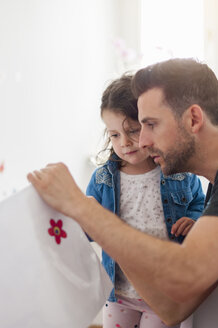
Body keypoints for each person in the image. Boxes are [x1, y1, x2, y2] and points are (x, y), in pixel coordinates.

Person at [27, 58, 218, 328]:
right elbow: (171, 308)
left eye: (150, 124)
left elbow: (185, 275)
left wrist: (83, 208)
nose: (142, 140)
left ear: (193, 119)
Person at [87, 73, 205, 328]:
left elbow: (200, 204)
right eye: (114, 135)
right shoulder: (102, 180)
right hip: (119, 293)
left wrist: (195, 219)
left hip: (163, 293)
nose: (125, 143)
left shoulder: (179, 172)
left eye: (132, 131)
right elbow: (87, 222)